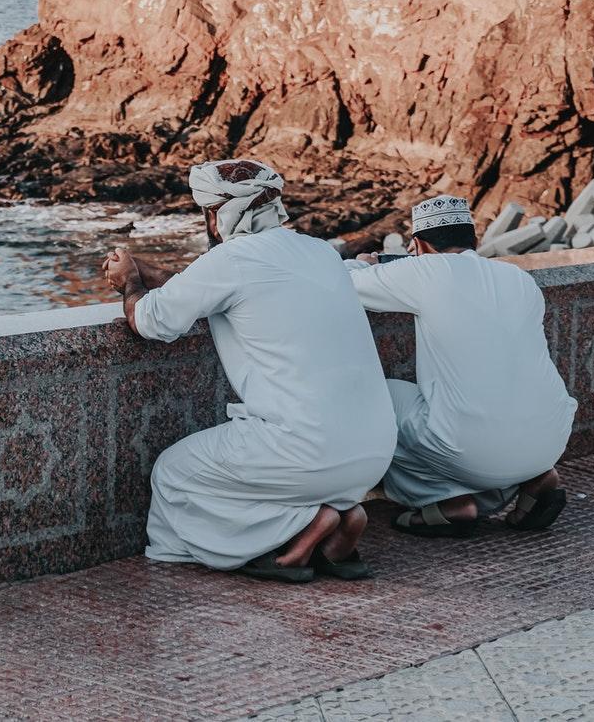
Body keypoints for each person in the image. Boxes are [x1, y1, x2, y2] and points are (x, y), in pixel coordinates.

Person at [102, 160, 397, 582]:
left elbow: (149, 321)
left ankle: (298, 529)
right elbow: (216, 285)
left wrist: (129, 283)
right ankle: (336, 524)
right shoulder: (320, 252)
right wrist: (145, 269)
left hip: (304, 452)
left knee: (174, 473)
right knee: (272, 474)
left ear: (215, 214)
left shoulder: (231, 260)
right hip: (374, 454)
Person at [346, 195, 577, 537]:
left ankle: (445, 501)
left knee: (377, 398)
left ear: (418, 245)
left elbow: (343, 283)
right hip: (551, 441)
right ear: (475, 240)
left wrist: (363, 262)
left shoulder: (425, 270)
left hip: (474, 449)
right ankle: (533, 479)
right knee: (477, 428)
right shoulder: (517, 278)